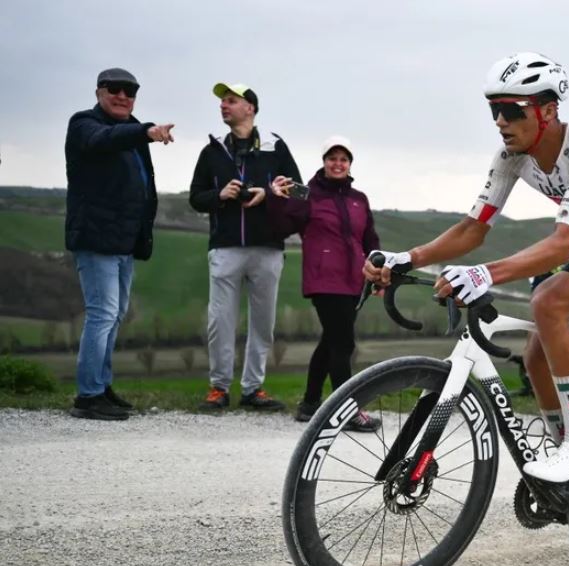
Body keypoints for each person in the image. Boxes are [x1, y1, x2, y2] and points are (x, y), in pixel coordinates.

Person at [364, 52, 569, 482]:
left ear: (548, 110)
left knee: (548, 300)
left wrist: (483, 274)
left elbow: (564, 241)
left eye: (512, 110)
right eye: (494, 110)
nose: (500, 121)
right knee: (535, 354)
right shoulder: (511, 156)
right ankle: (564, 452)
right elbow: (473, 229)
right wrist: (410, 257)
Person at [65, 67, 174, 420]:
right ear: (99, 91)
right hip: (97, 240)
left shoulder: (130, 132)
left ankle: (101, 386)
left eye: (131, 91)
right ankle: (88, 396)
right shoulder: (84, 124)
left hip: (123, 243)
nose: (124, 96)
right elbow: (102, 141)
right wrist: (144, 131)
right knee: (102, 315)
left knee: (114, 317)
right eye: (115, 89)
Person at [189, 83, 301, 411]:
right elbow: (195, 198)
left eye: (231, 101)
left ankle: (253, 389)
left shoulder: (275, 146)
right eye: (222, 102)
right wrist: (220, 195)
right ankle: (218, 388)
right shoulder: (212, 151)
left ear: (250, 108)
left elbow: (301, 192)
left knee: (262, 322)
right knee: (219, 321)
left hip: (268, 247)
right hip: (224, 247)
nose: (223, 106)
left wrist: (268, 193)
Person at [267, 137, 383, 430]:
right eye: (332, 158)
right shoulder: (306, 194)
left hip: (355, 279)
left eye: (343, 159)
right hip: (324, 279)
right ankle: (346, 411)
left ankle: (309, 404)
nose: (338, 163)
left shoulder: (359, 198)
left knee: (331, 341)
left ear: (350, 164)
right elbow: (281, 227)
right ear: (324, 162)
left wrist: (380, 272)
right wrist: (276, 198)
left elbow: (369, 239)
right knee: (343, 343)